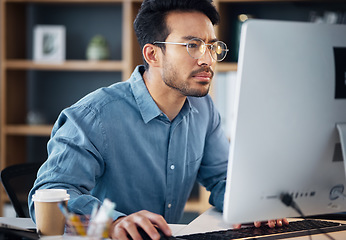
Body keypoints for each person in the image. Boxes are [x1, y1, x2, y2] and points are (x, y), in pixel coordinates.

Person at [28, 0, 287, 239]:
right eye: (192, 45)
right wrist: (114, 223)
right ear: (152, 54)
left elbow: (222, 179)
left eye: (211, 46)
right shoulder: (93, 116)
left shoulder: (203, 109)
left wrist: (252, 204)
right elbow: (48, 198)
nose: (207, 59)